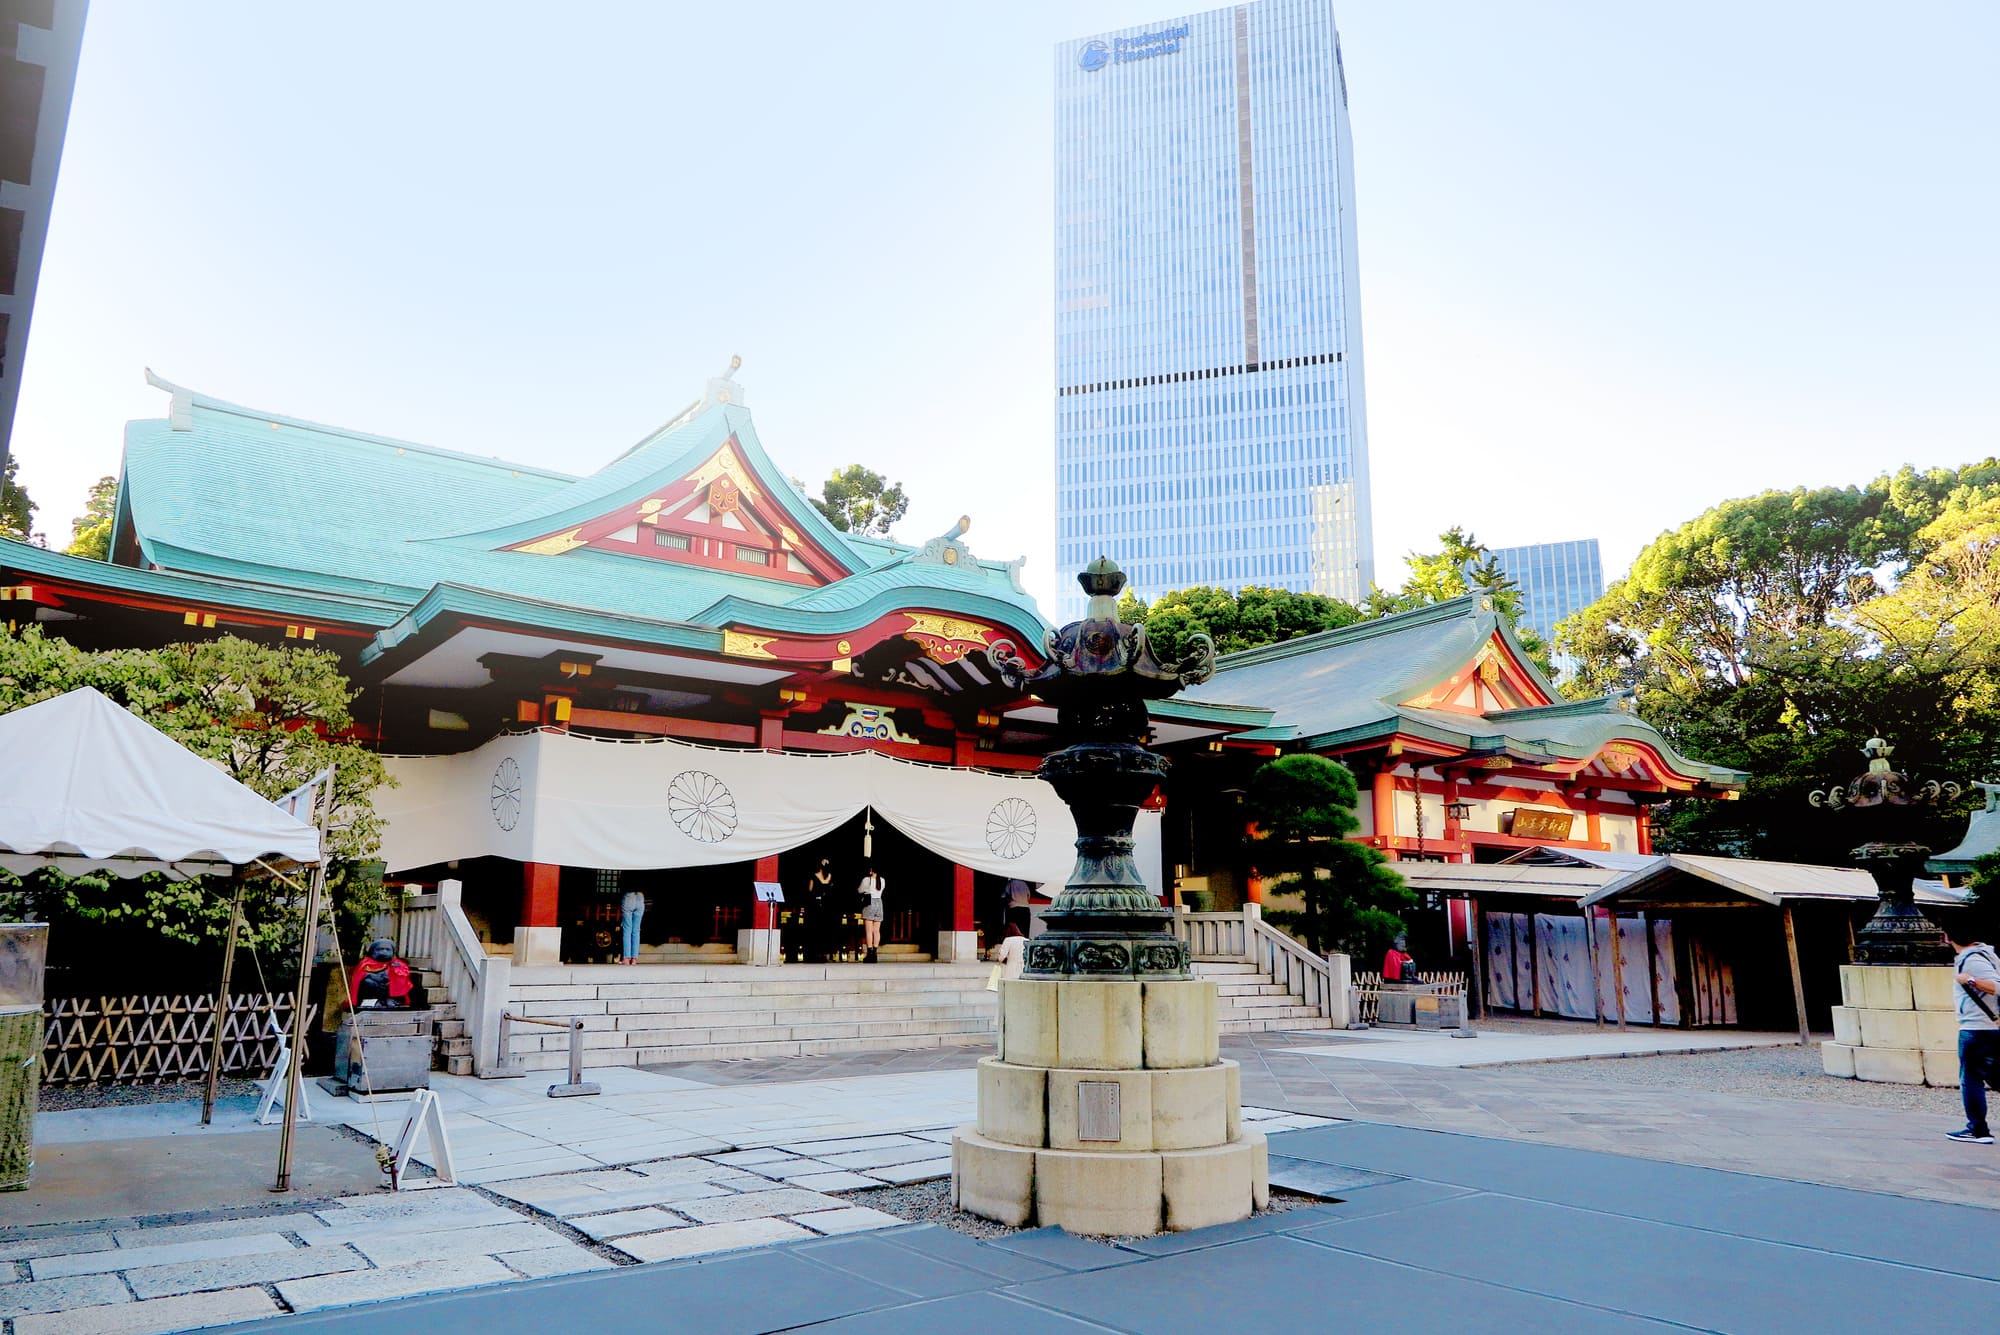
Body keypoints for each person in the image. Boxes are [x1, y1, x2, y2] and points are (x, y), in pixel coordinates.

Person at [1945, 924, 2000, 1145]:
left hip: (1976, 1028)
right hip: (1989, 1027)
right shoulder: (1986, 955)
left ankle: (1977, 1129)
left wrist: (1969, 980)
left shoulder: (1973, 959)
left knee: (1971, 1079)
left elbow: (1997, 986)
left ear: (1948, 938)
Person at [349, 939, 413, 1009]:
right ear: (372, 951)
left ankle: (393, 1000)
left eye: (387, 949)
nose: (384, 952)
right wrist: (371, 976)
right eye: (380, 949)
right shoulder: (366, 963)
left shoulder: (398, 964)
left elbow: (403, 979)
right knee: (368, 982)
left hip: (390, 993)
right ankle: (373, 1001)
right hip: (373, 993)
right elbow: (359, 977)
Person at [803, 858, 836, 963]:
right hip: (821, 907)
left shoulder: (819, 876)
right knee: (820, 930)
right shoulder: (824, 877)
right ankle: (819, 953)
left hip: (820, 907)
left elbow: (810, 891)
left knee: (818, 930)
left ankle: (818, 953)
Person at [856, 862, 886, 964]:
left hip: (869, 903)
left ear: (872, 870)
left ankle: (869, 954)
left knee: (869, 931)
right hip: (879, 903)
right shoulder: (882, 880)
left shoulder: (866, 880)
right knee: (876, 931)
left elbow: (860, 890)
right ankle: (875, 954)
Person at [619, 886, 649, 966]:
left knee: (627, 929)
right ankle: (634, 959)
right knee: (636, 930)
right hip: (640, 896)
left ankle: (626, 959)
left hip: (629, 895)